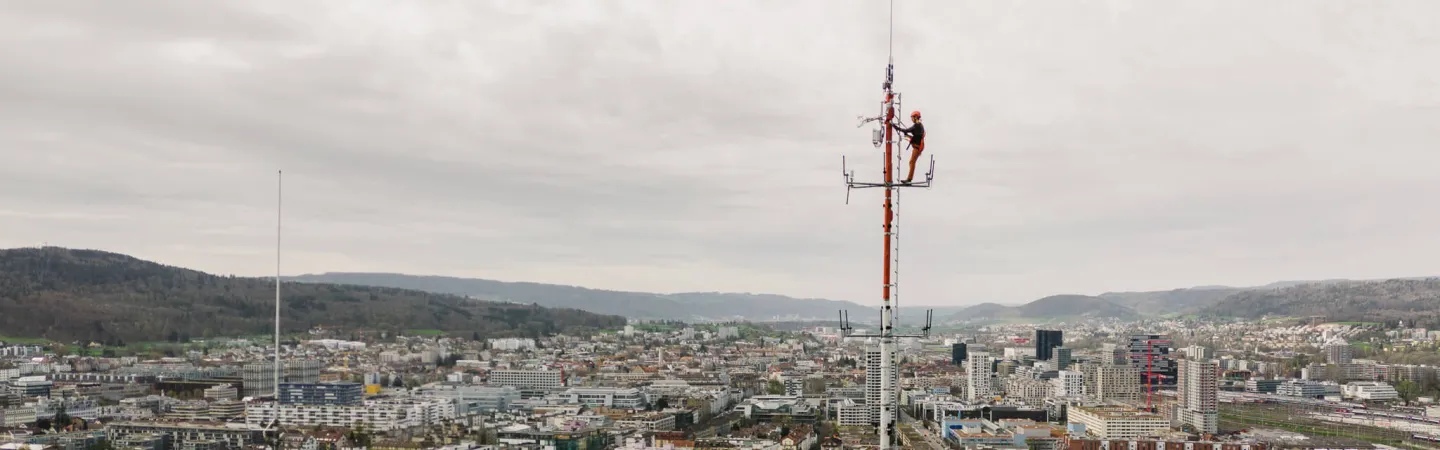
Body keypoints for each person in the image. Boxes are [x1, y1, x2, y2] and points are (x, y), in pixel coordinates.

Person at [890, 110, 926, 183]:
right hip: (918, 146)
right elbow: (916, 135)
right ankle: (909, 179)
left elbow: (906, 130)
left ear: (916, 117)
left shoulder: (917, 125)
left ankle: (909, 179)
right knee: (912, 162)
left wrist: (894, 126)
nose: (911, 119)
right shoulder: (919, 125)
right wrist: (907, 135)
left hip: (917, 147)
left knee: (912, 162)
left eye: (912, 117)